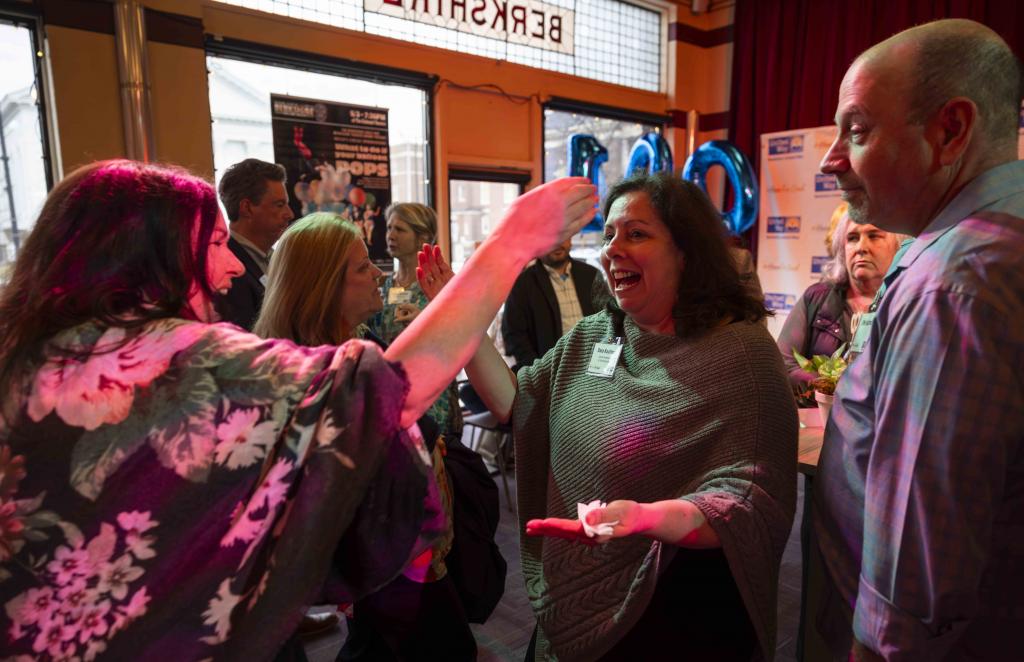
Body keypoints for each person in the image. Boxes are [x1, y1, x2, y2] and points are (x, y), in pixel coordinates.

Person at [0, 159, 597, 660]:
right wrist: (509, 245)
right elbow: (379, 397)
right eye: (212, 244)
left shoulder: (28, 356)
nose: (232, 265)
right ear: (149, 255)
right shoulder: (167, 360)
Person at [421, 173, 798, 661]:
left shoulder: (742, 353)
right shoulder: (598, 335)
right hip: (571, 589)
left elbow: (749, 502)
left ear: (686, 251)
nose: (613, 249)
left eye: (637, 233)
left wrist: (645, 518)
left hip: (673, 612)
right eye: (609, 235)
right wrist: (460, 309)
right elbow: (516, 401)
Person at [814, 19, 1024, 661]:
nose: (831, 159)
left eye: (857, 129)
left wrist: (876, 647)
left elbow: (916, 556)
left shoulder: (951, 283)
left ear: (950, 130)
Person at [253, 214, 486, 660]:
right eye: (362, 267)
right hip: (382, 564)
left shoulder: (356, 341)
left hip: (393, 558)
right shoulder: (316, 373)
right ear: (325, 287)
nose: (377, 273)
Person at [775, 210, 904, 393]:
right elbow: (782, 363)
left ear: (899, 247)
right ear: (842, 250)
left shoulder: (907, 303)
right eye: (852, 238)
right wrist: (828, 387)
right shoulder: (816, 298)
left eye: (874, 236)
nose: (861, 247)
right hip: (818, 417)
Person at [371, 203, 462, 443]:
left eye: (400, 230)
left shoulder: (439, 285)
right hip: (390, 392)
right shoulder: (382, 285)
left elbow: (459, 341)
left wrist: (425, 323)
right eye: (389, 228)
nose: (390, 235)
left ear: (422, 236)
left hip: (431, 395)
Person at [501, 238, 607, 371]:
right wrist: (539, 371)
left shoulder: (591, 275)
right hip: (551, 375)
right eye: (552, 237)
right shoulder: (523, 284)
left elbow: (610, 321)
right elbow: (514, 335)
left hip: (596, 369)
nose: (558, 243)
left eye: (564, 235)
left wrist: (603, 366)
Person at [215, 158, 295, 330]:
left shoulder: (280, 260)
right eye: (279, 205)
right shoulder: (227, 269)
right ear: (247, 208)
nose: (289, 214)